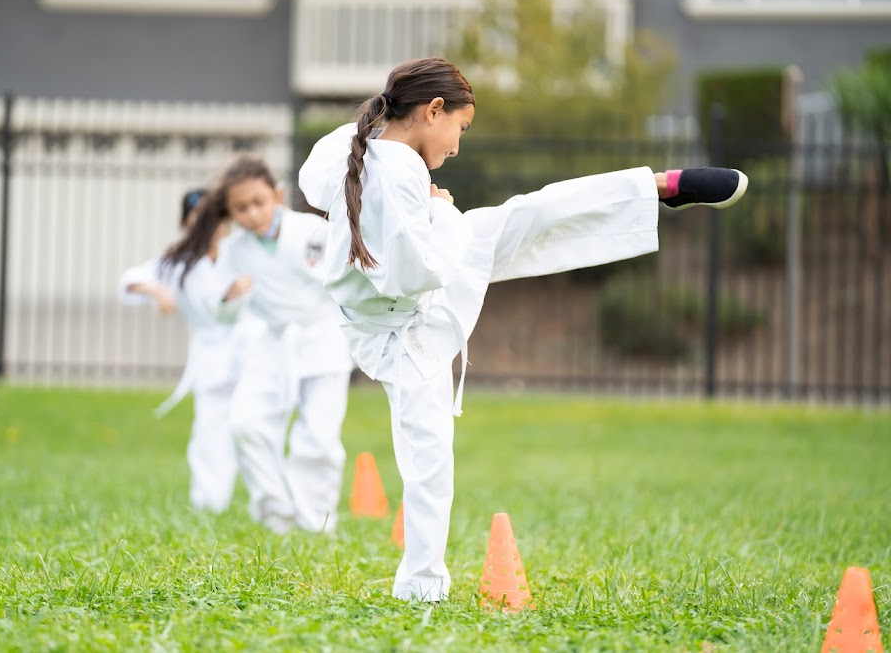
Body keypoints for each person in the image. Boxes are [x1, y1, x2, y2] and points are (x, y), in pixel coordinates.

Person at [298, 57, 749, 602]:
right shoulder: (395, 176)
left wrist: (415, 185)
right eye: (461, 128)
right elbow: (417, 272)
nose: (457, 147)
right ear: (433, 110)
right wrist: (442, 212)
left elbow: (313, 181)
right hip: (404, 331)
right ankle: (421, 587)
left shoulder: (366, 148)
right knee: (429, 461)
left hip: (407, 302)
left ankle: (654, 186)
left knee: (524, 216)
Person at [210, 156, 354, 535]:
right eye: (241, 208)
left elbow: (348, 280)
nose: (252, 214)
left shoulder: (314, 231)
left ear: (276, 195)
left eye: (259, 202)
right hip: (270, 341)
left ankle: (317, 522)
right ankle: (276, 514)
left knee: (318, 437)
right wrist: (231, 295)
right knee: (245, 424)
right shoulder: (233, 250)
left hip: (323, 337)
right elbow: (220, 312)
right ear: (230, 212)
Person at [119, 188, 255, 512]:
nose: (208, 224)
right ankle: (209, 502)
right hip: (210, 357)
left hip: (253, 349)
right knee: (210, 428)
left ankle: (267, 502)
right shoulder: (178, 261)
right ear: (185, 222)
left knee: (254, 425)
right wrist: (156, 291)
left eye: (214, 217)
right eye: (198, 217)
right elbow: (130, 280)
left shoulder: (243, 251)